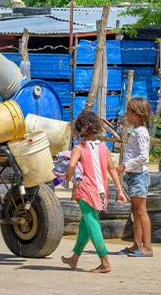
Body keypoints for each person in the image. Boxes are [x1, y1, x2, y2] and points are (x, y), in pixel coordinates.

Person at [61, 111, 127, 274]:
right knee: (85, 225)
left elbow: (71, 165)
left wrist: (67, 178)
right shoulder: (103, 147)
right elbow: (112, 169)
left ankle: (105, 262)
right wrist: (119, 190)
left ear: (80, 129)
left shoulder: (79, 148)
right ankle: (74, 259)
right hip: (101, 192)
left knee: (93, 225)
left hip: (86, 192)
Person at [116, 97, 153, 257]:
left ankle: (148, 247)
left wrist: (125, 166)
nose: (126, 115)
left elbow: (144, 156)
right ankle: (137, 244)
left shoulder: (141, 133)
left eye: (129, 112)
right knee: (135, 210)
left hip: (139, 176)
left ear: (137, 115)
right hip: (134, 176)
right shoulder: (137, 132)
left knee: (141, 211)